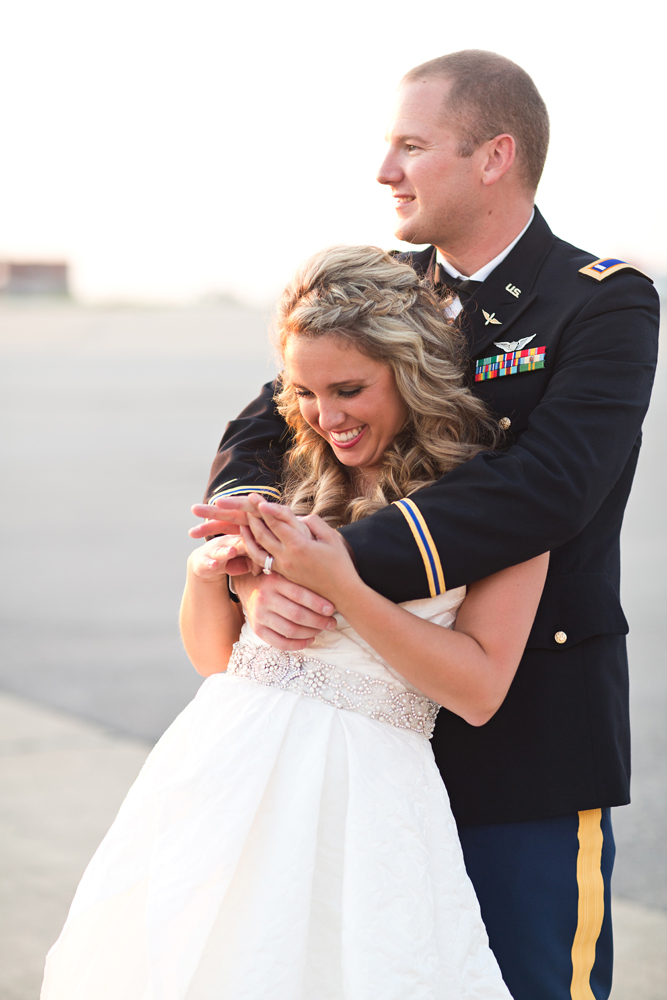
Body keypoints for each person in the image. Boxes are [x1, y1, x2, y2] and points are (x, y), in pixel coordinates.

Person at [197, 51, 660, 1000]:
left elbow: (547, 488)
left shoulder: (600, 301)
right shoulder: (376, 289)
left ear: (493, 156)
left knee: (529, 981)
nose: (384, 172)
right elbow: (259, 432)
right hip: (351, 749)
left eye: (410, 146)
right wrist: (252, 556)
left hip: (523, 733)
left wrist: (328, 570)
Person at [41, 245, 548, 999]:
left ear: (409, 372)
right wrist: (208, 577)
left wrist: (342, 586)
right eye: (306, 393)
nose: (327, 417)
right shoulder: (286, 478)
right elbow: (218, 662)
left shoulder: (495, 505)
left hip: (363, 807)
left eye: (349, 389)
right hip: (215, 777)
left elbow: (477, 690)